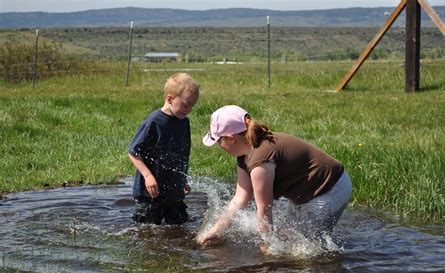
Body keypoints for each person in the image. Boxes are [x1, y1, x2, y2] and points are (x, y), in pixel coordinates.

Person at [196, 105, 351, 251]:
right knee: (288, 238)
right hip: (308, 192)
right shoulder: (244, 157)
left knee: (305, 248)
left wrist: (266, 244)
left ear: (230, 138)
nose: (219, 147)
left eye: (218, 141)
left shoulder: (261, 159)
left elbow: (264, 208)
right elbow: (239, 199)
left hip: (330, 188)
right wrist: (216, 231)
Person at [128, 73, 200, 225]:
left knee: (179, 229)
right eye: (186, 104)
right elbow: (133, 152)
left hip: (174, 193)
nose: (190, 109)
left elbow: (181, 155)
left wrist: (182, 180)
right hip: (150, 194)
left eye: (192, 106)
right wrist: (148, 176)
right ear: (170, 99)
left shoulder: (184, 122)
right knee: (144, 233)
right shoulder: (154, 122)